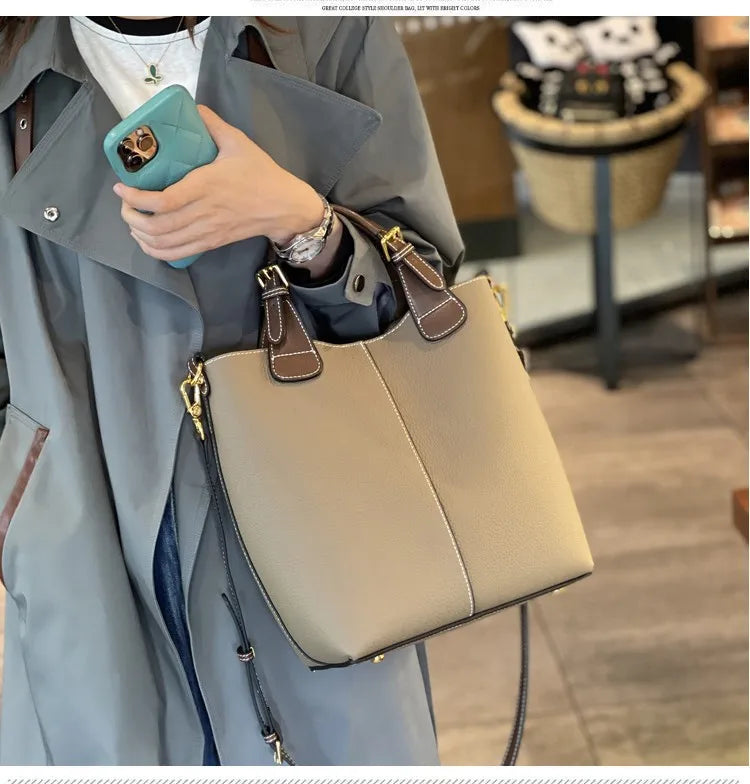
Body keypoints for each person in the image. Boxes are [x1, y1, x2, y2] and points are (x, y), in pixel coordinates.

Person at [0, 15, 463, 765]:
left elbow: (422, 297)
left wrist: (299, 222)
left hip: (321, 542)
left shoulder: (328, 32)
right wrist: (26, 503)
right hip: (89, 554)